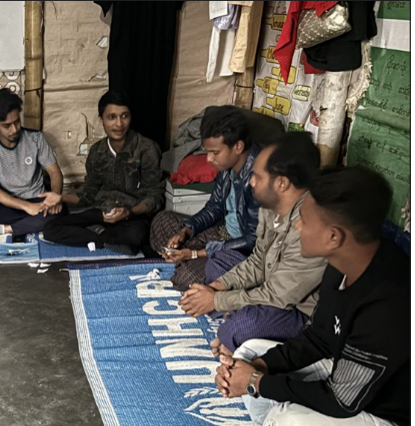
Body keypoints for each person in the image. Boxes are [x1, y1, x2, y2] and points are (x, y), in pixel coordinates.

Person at [216, 167, 410, 426]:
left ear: (333, 237)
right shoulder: (341, 265)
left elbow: (341, 401)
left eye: (304, 220)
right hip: (349, 382)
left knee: (283, 425)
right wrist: (256, 368)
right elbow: (319, 338)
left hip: (393, 425)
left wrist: (255, 382)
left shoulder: (389, 301)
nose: (297, 226)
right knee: (249, 351)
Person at [180, 132, 327, 353]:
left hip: (296, 311)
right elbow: (258, 262)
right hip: (268, 288)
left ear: (281, 183)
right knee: (217, 264)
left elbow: (278, 296)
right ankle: (235, 321)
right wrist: (216, 288)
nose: (251, 181)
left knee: (243, 325)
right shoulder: (271, 206)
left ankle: (236, 326)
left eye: (257, 176)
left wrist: (218, 301)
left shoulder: (310, 226)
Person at [150, 106, 262, 290]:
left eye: (215, 152)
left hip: (242, 251)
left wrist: (195, 254)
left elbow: (252, 241)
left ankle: (198, 268)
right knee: (163, 221)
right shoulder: (227, 167)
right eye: (207, 151)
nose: (209, 159)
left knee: (188, 276)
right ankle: (195, 264)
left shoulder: (260, 176)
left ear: (238, 146)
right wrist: (185, 231)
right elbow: (215, 207)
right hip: (222, 234)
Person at [43, 91, 164, 255]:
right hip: (101, 212)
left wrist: (130, 212)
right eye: (111, 117)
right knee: (51, 228)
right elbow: (88, 194)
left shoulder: (147, 148)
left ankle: (97, 235)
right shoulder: (97, 151)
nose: (119, 124)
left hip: (131, 215)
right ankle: (105, 238)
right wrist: (60, 197)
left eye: (124, 116)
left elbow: (155, 196)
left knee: (137, 234)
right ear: (101, 119)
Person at [0, 88, 68, 240]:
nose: (14, 129)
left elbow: (54, 172)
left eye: (17, 122)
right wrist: (27, 207)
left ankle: (6, 229)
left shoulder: (36, 138)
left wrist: (55, 196)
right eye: (7, 126)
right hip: (11, 205)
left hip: (38, 201)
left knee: (60, 210)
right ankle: (33, 223)